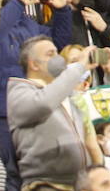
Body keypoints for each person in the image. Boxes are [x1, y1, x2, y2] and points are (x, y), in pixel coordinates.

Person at [8, 36, 98, 187]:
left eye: (57, 53)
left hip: (77, 184)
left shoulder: (65, 94)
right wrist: (79, 66)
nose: (58, 59)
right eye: (50, 54)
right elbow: (43, 103)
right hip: (45, 185)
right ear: (34, 64)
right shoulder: (19, 91)